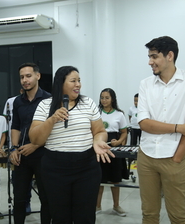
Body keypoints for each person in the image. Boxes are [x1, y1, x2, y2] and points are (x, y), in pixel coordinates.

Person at [29, 66, 115, 223]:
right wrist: (52, 119)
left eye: (79, 81)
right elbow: (35, 139)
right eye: (73, 81)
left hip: (86, 167)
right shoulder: (45, 105)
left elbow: (100, 131)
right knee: (60, 216)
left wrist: (98, 141)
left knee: (86, 216)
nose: (78, 85)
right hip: (55, 168)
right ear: (60, 83)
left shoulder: (88, 103)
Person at [137, 36, 185, 224]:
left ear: (170, 56)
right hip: (147, 157)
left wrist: (177, 158)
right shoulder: (145, 84)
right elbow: (144, 123)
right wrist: (178, 127)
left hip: (175, 157)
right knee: (149, 214)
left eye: (154, 56)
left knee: (178, 216)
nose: (150, 62)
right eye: (150, 57)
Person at [9, 62, 51, 224]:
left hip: (42, 154)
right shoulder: (18, 101)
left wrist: (35, 145)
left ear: (37, 76)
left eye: (28, 76)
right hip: (21, 156)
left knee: (46, 198)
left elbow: (52, 129)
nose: (24, 80)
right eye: (21, 77)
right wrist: (13, 148)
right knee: (19, 198)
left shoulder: (49, 99)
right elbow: (16, 126)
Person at [96, 88, 128, 217]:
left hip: (114, 149)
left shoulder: (119, 114)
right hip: (99, 147)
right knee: (100, 179)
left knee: (115, 179)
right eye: (102, 97)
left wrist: (119, 141)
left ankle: (116, 206)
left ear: (112, 99)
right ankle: (97, 206)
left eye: (107, 98)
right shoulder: (96, 113)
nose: (104, 100)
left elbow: (124, 132)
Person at [3, 89, 32, 215]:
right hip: (16, 146)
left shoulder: (46, 99)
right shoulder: (12, 101)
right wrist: (13, 147)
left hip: (35, 147)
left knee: (33, 183)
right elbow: (12, 124)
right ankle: (20, 205)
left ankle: (28, 203)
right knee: (18, 183)